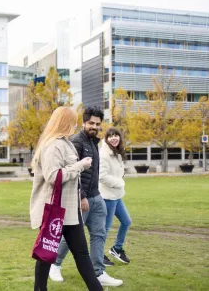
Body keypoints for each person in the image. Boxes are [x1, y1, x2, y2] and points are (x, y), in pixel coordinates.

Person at [30, 106, 104, 291]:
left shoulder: (65, 143)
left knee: (80, 253)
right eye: (73, 120)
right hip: (54, 210)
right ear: (64, 122)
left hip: (69, 210)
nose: (76, 124)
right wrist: (80, 165)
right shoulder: (54, 145)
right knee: (47, 254)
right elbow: (53, 177)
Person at [49, 106, 123, 287]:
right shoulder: (76, 142)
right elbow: (74, 173)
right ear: (83, 123)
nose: (94, 127)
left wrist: (95, 196)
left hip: (96, 197)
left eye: (98, 124)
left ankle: (98, 272)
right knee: (72, 236)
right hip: (80, 199)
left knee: (99, 234)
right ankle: (54, 264)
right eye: (91, 123)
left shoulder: (94, 143)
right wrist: (81, 197)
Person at [100, 128, 131, 264]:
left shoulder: (117, 152)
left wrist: (120, 179)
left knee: (126, 221)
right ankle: (99, 255)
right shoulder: (104, 154)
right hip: (107, 197)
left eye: (116, 135)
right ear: (106, 138)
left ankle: (117, 248)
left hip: (117, 195)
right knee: (105, 228)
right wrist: (119, 182)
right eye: (111, 136)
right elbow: (102, 176)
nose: (114, 138)